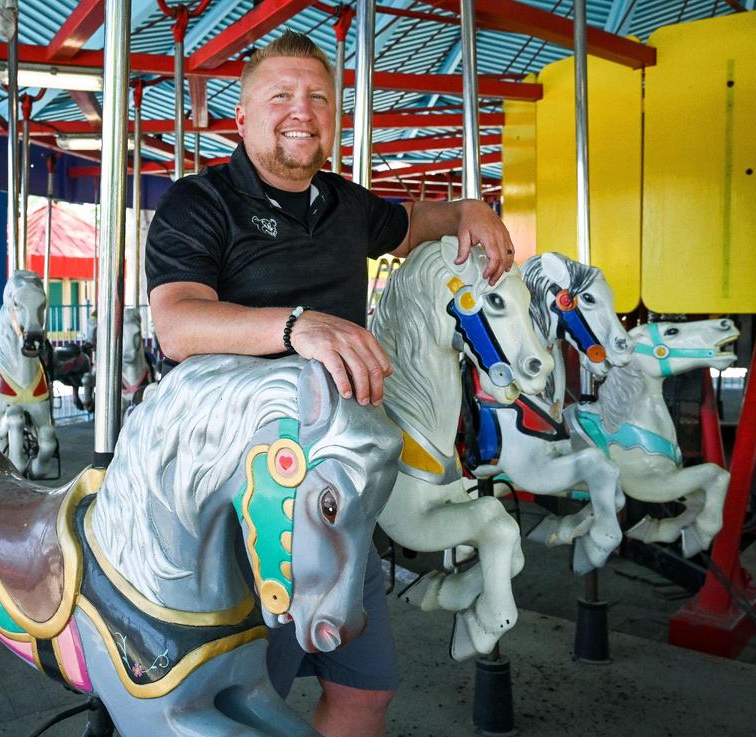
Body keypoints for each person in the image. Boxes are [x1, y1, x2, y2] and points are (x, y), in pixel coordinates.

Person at [145, 31, 515, 737]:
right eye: (280, 95)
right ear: (243, 116)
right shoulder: (200, 203)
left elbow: (417, 224)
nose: (301, 110)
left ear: (335, 120)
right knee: (248, 701)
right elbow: (178, 323)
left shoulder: (345, 204)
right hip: (241, 491)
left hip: (333, 485)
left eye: (318, 97)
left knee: (364, 691)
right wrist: (297, 326)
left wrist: (470, 208)